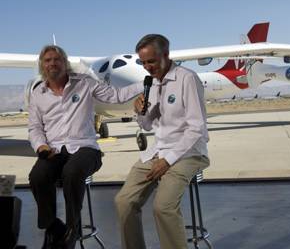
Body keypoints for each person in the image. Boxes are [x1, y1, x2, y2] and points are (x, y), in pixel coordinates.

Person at [28, 45, 143, 249]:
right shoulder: (39, 93)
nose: (52, 63)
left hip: (85, 148)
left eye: (57, 59)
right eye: (47, 60)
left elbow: (116, 96)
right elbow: (35, 127)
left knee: (72, 173)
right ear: (42, 66)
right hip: (53, 149)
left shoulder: (85, 84)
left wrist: (145, 82)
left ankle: (73, 228)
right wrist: (41, 146)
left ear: (65, 63)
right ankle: (52, 226)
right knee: (37, 176)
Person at [115, 34, 210, 249]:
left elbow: (197, 128)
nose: (147, 67)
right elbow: (148, 126)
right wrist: (140, 112)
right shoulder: (151, 84)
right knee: (124, 202)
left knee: (163, 207)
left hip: (189, 153)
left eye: (152, 61)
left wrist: (167, 161)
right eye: (143, 62)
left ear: (166, 55)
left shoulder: (187, 79)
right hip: (157, 152)